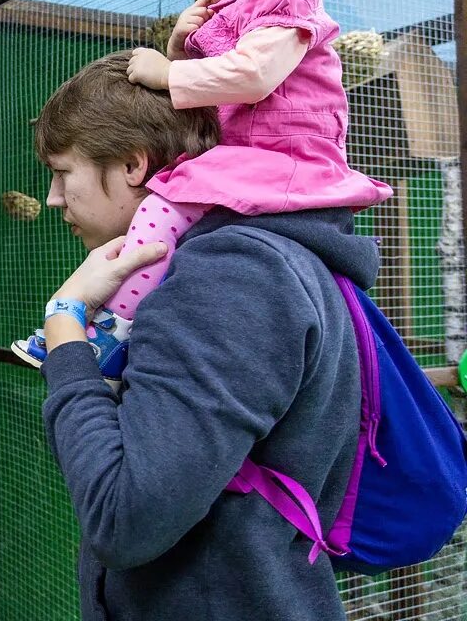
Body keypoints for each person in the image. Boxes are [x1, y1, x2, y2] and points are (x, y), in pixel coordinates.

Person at [26, 50, 377, 620]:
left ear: (134, 166)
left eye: (63, 173)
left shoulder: (231, 274)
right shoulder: (221, 263)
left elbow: (122, 516)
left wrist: (65, 326)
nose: (53, 199)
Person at [13, 0, 390, 368]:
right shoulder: (247, 12)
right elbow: (221, 90)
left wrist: (169, 71)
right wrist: (182, 47)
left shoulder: (289, 5)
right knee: (172, 216)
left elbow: (252, 76)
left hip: (284, 158)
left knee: (162, 207)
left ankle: (111, 330)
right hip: (251, 156)